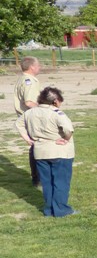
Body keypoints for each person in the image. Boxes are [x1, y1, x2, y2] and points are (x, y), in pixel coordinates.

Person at [16, 87, 77, 217]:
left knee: (47, 182)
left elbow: (18, 124)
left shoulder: (30, 112)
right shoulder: (57, 113)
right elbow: (68, 129)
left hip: (40, 151)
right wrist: (65, 139)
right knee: (61, 181)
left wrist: (28, 139)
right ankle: (61, 210)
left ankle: (49, 209)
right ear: (55, 101)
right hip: (59, 151)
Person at [14, 56, 42, 186]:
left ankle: (36, 177)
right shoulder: (29, 81)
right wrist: (46, 108)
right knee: (37, 146)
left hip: (27, 117)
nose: (40, 67)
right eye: (38, 65)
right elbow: (29, 102)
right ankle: (37, 178)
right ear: (32, 67)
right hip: (31, 118)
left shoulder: (22, 79)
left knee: (35, 146)